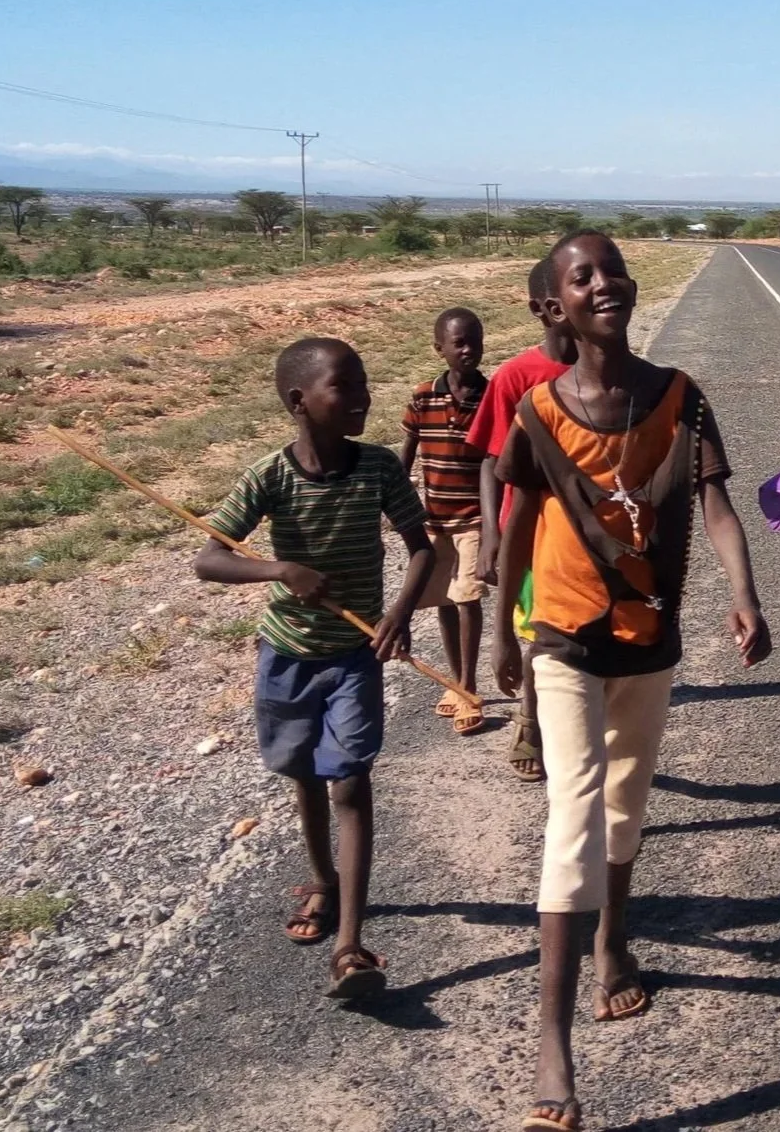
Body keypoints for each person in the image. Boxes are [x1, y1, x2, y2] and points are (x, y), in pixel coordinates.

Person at [491, 231, 771, 1132]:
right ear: (557, 306)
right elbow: (516, 523)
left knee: (625, 801)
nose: (602, 283)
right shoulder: (536, 410)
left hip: (649, 634)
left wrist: (743, 593)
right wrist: (504, 634)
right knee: (573, 811)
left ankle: (615, 937)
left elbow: (716, 504)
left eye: (611, 269)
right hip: (564, 635)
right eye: (582, 277)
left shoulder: (680, 400)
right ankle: (551, 1043)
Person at [194, 336, 434, 1001]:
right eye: (344, 388)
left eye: (363, 386)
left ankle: (350, 944)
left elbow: (421, 549)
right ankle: (323, 880)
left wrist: (400, 612)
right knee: (302, 775)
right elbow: (208, 561)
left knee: (350, 782)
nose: (361, 398)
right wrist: (278, 569)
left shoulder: (380, 468)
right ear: (300, 402)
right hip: (288, 655)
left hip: (354, 655)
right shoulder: (268, 476)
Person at [467, 258, 579, 782]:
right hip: (528, 535)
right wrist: (492, 534)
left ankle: (577, 716)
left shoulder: (610, 372)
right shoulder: (517, 376)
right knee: (536, 634)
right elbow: (490, 459)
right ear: (543, 308)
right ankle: (531, 722)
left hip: (588, 535)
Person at [400, 306, 489, 735]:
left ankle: (470, 687)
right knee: (444, 602)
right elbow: (407, 452)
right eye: (459, 343)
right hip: (433, 519)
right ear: (440, 349)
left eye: (475, 340)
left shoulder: (492, 397)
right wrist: (395, 503)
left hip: (474, 517)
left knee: (467, 597)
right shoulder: (422, 397)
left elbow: (497, 460)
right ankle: (456, 680)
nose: (469, 349)